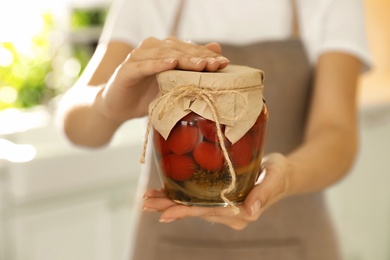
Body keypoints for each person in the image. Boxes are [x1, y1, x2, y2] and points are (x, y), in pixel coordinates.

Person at [57, 0, 371, 259]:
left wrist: (285, 175)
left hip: (296, 243)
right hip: (166, 246)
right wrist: (107, 103)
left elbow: (337, 133)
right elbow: (76, 127)